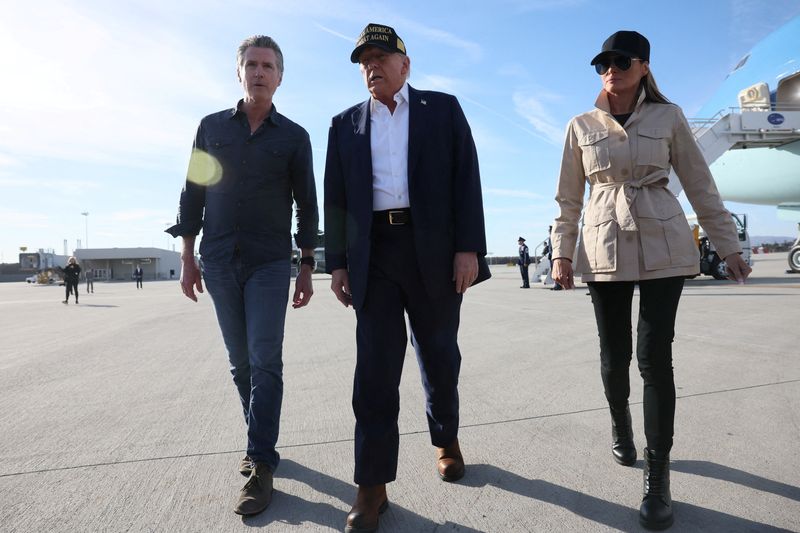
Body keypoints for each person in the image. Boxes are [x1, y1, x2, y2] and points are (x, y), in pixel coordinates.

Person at [550, 31, 752, 530]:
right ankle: (621, 424)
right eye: (602, 63)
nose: (610, 70)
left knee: (654, 357)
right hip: (603, 245)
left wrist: (728, 245)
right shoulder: (580, 125)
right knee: (614, 354)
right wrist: (560, 253)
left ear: (643, 66)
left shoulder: (670, 117)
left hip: (664, 240)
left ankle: (657, 476)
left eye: (620, 61)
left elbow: (700, 182)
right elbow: (568, 198)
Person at [324, 23, 490, 533]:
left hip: (435, 252)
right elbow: (336, 200)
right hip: (374, 253)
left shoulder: (442, 110)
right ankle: (372, 487)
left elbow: (467, 179)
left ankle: (446, 438)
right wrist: (339, 263)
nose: (371, 66)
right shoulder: (344, 124)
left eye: (381, 57)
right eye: (364, 60)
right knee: (374, 371)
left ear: (405, 64)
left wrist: (468, 249)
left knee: (440, 356)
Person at [165, 34, 319, 517]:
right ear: (239, 72)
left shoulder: (294, 137)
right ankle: (261, 440)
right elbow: (193, 193)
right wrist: (187, 256)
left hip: (271, 262)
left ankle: (260, 460)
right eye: (251, 64)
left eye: (267, 65)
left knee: (265, 359)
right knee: (241, 365)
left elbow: (307, 207)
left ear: (280, 76)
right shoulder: (211, 128)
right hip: (218, 259)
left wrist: (307, 265)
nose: (258, 72)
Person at [542, 226, 561, 290]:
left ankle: (558, 285)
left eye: (550, 230)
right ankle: (556, 284)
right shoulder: (550, 237)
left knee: (556, 271)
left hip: (554, 256)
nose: (549, 232)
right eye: (549, 231)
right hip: (551, 257)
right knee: (553, 271)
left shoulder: (555, 237)